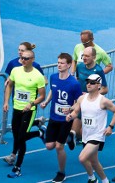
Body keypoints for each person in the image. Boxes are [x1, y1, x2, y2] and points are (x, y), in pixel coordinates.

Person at [66, 74, 115, 183]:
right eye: (88, 82)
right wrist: (71, 116)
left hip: (97, 135)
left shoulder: (103, 101)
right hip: (86, 134)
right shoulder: (82, 98)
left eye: (92, 82)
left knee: (82, 158)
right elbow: (76, 111)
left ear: (98, 85)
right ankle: (105, 181)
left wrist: (110, 127)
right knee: (94, 161)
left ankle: (92, 178)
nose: (89, 84)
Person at [2, 47, 46, 178]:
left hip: (29, 110)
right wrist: (6, 102)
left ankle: (17, 167)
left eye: (26, 58)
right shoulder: (15, 71)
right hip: (16, 108)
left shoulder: (38, 76)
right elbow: (10, 85)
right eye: (22, 58)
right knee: (18, 137)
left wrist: (31, 104)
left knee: (21, 137)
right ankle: (39, 132)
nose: (22, 60)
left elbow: (42, 96)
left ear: (32, 60)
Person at [39, 53, 82, 183]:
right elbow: (53, 90)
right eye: (58, 62)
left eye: (62, 63)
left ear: (69, 65)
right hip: (53, 117)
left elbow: (78, 102)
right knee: (49, 146)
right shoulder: (53, 77)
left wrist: (70, 109)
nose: (59, 65)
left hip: (66, 119)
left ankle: (61, 173)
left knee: (59, 147)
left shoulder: (74, 83)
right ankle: (67, 136)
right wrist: (46, 101)